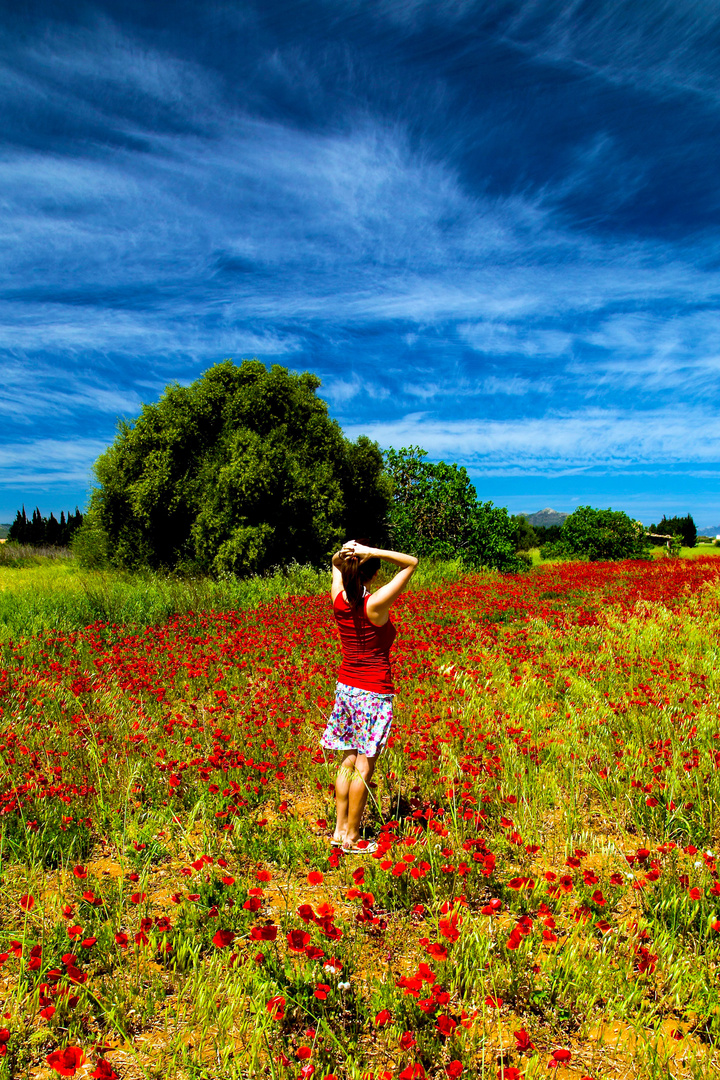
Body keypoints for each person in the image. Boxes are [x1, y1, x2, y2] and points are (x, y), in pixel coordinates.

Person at [321, 539, 418, 853]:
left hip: (346, 690)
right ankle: (351, 837)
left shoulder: (338, 599)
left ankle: (338, 832)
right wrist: (371, 550)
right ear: (373, 574)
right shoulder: (374, 605)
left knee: (347, 762)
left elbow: (335, 562)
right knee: (363, 767)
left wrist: (348, 551)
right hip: (373, 693)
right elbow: (411, 562)